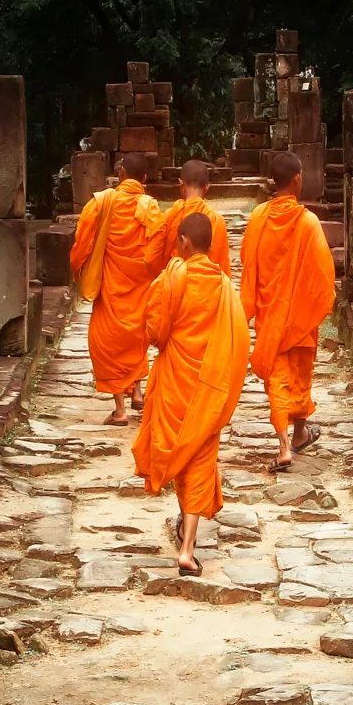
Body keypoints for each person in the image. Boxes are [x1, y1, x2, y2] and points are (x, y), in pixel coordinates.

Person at [132, 212, 250, 576]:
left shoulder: (171, 278)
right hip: (209, 385)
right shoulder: (223, 286)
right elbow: (239, 339)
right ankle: (187, 547)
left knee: (177, 450)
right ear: (210, 245)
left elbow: (154, 331)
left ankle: (186, 532)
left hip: (173, 381)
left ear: (183, 241)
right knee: (200, 456)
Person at [239, 151, 335, 472]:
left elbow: (248, 267)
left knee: (280, 379)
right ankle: (291, 440)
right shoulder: (308, 222)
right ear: (297, 180)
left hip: (271, 315)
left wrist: (246, 310)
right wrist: (314, 303)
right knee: (299, 375)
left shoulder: (258, 218)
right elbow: (324, 274)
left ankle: (291, 441)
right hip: (300, 316)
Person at [70, 152, 163, 425]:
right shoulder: (151, 208)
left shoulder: (100, 203)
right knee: (136, 339)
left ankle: (120, 410)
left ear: (121, 174)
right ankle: (137, 392)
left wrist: (77, 271)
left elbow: (81, 245)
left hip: (111, 287)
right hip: (140, 287)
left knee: (108, 344)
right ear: (144, 179)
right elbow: (157, 250)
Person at [147, 159, 231, 278]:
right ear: (207, 187)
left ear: (181, 183)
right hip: (207, 289)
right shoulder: (217, 220)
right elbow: (222, 267)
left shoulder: (169, 216)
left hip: (174, 286)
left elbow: (151, 259)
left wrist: (165, 279)